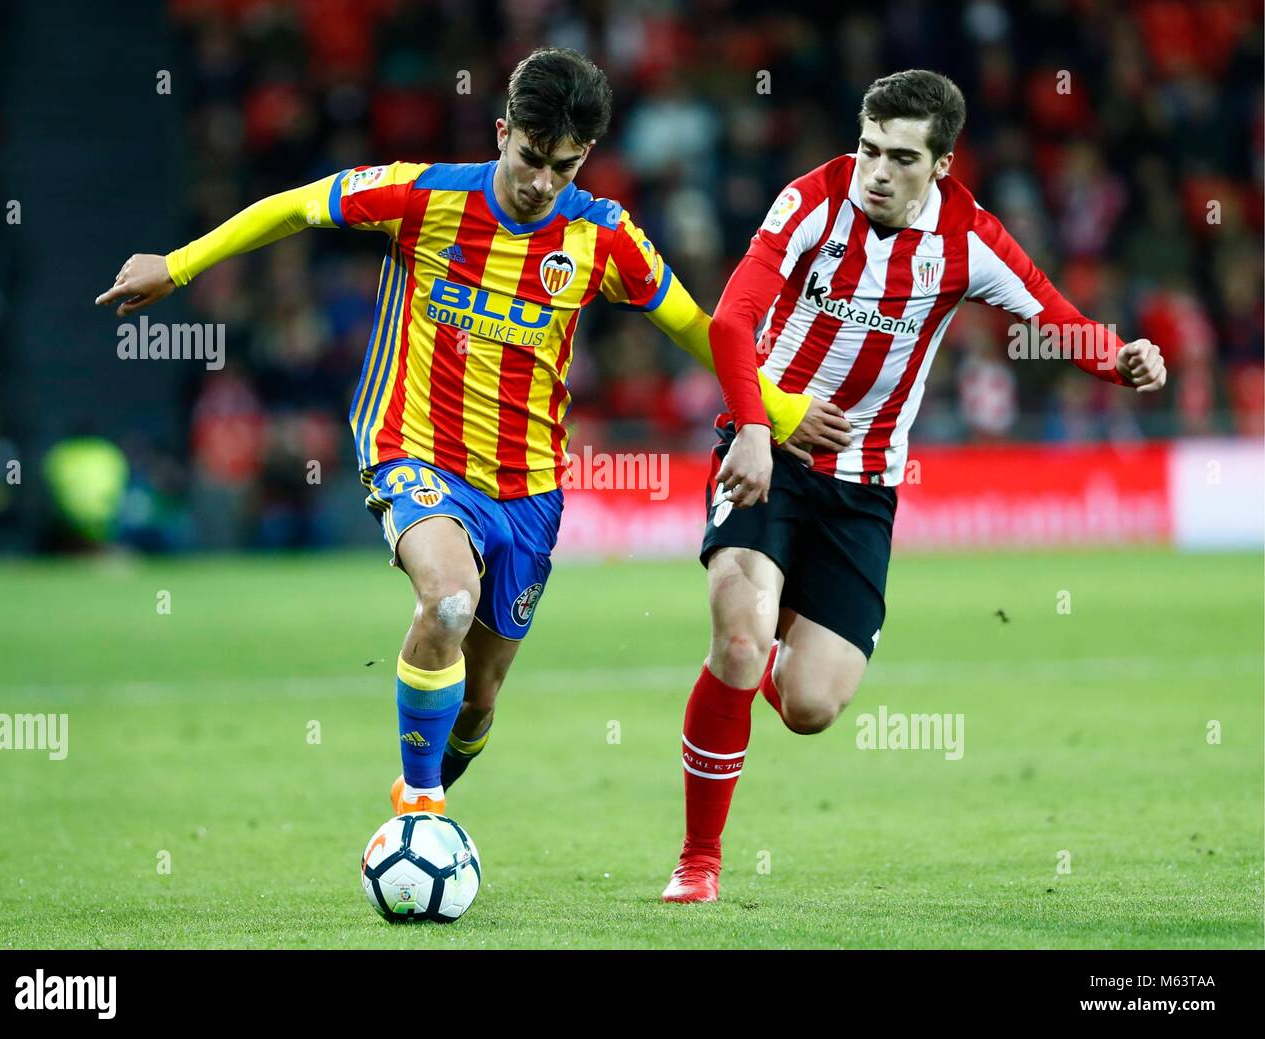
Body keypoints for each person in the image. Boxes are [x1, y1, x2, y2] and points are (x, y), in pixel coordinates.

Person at [95, 47, 849, 820]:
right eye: (530, 158)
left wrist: (780, 411)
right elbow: (293, 206)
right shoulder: (421, 195)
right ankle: (419, 815)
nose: (542, 183)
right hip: (412, 447)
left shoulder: (604, 234)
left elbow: (693, 323)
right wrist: (179, 265)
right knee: (449, 602)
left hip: (528, 487)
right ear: (501, 133)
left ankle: (424, 800)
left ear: (584, 155)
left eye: (564, 166)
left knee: (480, 699)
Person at [662, 68, 1167, 903]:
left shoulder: (968, 239)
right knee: (739, 640)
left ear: (941, 164)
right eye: (868, 149)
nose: (877, 171)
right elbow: (730, 320)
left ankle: (771, 643)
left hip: (864, 488)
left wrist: (1120, 359)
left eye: (901, 157)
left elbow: (1052, 314)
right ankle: (698, 859)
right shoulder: (808, 204)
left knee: (814, 703)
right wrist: (760, 425)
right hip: (770, 456)